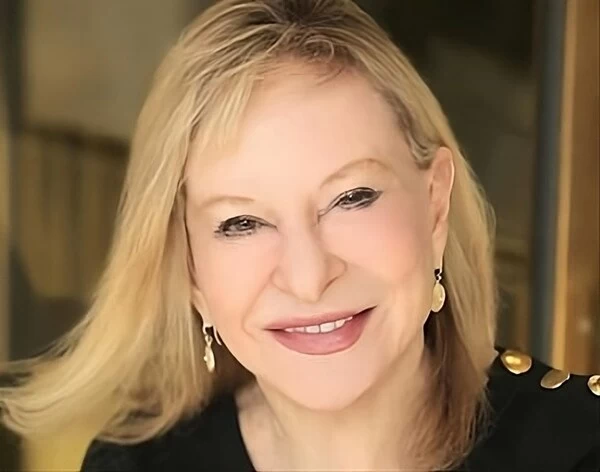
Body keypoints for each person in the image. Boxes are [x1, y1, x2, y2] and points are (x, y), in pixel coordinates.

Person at [1, 1, 598, 470]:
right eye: (242, 223)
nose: (309, 279)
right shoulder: (137, 466)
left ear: (435, 205)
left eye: (352, 198)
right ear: (188, 267)